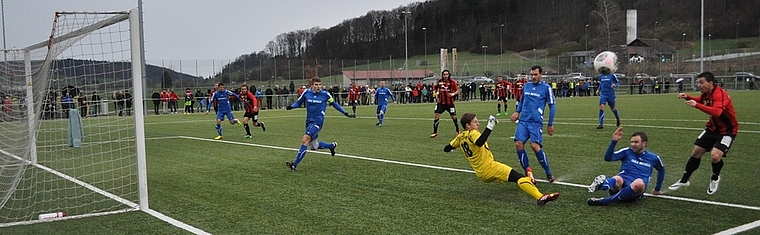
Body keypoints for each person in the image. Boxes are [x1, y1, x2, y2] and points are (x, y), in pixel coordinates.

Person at [443, 113, 559, 206]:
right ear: (468, 125)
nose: (478, 124)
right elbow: (479, 142)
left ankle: (529, 180)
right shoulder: (472, 133)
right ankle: (540, 196)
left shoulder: (460, 137)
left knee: (512, 177)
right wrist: (490, 126)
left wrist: (456, 147)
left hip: (481, 174)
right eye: (475, 122)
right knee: (519, 178)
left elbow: (446, 148)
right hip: (490, 168)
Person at [668, 72, 738, 195]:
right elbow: (699, 100)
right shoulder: (706, 94)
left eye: (701, 82)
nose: (698, 85)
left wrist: (696, 105)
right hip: (712, 128)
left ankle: (715, 178)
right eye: (697, 82)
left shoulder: (720, 94)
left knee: (715, 156)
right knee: (696, 152)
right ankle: (684, 180)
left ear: (710, 83)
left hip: (727, 130)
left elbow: (717, 112)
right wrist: (687, 97)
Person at [285, 77, 356, 171]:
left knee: (305, 139)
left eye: (320, 85)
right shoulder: (306, 93)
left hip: (318, 121)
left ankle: (294, 164)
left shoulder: (325, 94)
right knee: (314, 146)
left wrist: (345, 113)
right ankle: (331, 146)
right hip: (309, 121)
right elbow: (298, 103)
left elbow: (334, 104)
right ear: (312, 85)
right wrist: (291, 106)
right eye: (316, 85)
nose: (318, 87)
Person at [586, 127, 665, 206]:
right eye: (632, 142)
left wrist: (657, 189)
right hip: (619, 186)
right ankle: (603, 185)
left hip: (635, 192)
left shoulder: (654, 158)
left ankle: (605, 200)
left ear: (644, 143)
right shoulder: (627, 151)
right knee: (618, 178)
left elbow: (661, 170)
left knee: (639, 183)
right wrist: (614, 141)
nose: (633, 144)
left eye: (636, 142)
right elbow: (608, 158)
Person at [510, 65, 557, 183]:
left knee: (535, 146)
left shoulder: (546, 88)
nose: (533, 77)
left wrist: (550, 124)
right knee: (518, 144)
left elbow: (552, 106)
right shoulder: (527, 86)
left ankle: (548, 173)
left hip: (535, 122)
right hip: (523, 121)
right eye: (532, 75)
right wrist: (517, 111)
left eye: (536, 74)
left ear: (541, 74)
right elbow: (521, 101)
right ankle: (528, 172)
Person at [430, 70, 461, 138]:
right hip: (441, 103)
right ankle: (435, 132)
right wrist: (436, 93)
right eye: (444, 74)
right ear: (442, 75)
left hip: (450, 103)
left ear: (449, 75)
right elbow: (435, 88)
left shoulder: (452, 82)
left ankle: (457, 131)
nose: (445, 76)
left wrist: (453, 94)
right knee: (437, 115)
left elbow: (458, 90)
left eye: (446, 74)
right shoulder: (440, 81)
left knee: (454, 117)